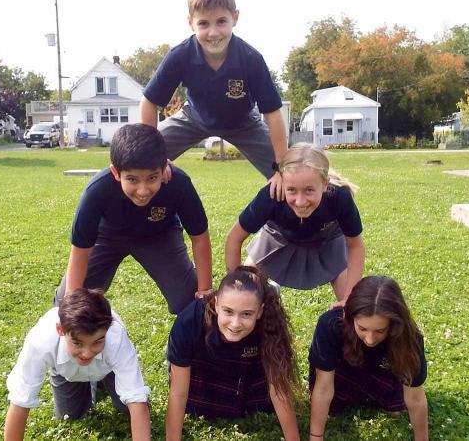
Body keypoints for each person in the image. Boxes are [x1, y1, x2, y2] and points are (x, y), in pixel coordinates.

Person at [139, 0, 288, 199]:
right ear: (191, 22)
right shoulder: (180, 55)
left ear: (235, 18)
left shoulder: (250, 59)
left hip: (244, 123)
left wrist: (281, 168)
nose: (213, 32)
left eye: (221, 22)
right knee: (138, 159)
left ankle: (318, 221)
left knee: (293, 174)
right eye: (203, 24)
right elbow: (149, 103)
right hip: (194, 118)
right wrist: (155, 155)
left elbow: (273, 114)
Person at [57, 123, 213, 314]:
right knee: (66, 302)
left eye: (152, 178)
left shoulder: (178, 184)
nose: (143, 190)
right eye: (132, 179)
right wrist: (72, 304)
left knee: (190, 301)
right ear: (116, 172)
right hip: (108, 236)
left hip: (159, 234)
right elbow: (81, 250)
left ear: (165, 167)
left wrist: (204, 292)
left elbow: (199, 237)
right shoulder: (97, 190)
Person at [165, 266, 300, 441]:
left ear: (260, 311)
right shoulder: (189, 321)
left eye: (246, 314)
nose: (235, 324)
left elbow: (278, 390)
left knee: (259, 403)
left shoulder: (270, 323)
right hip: (205, 365)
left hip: (247, 363)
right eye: (228, 311)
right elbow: (178, 393)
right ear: (215, 303)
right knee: (198, 404)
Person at [225, 143, 365, 303]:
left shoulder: (339, 198)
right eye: (291, 190)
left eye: (309, 190)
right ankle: (268, 289)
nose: (300, 201)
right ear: (282, 182)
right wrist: (234, 288)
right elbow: (234, 238)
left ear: (325, 184)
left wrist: (348, 298)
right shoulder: (271, 195)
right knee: (247, 293)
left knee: (353, 305)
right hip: (279, 236)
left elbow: (356, 246)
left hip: (327, 240)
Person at [4, 288, 151, 441]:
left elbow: (136, 400)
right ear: (60, 330)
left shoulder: (116, 337)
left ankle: (102, 382)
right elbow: (20, 401)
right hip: (66, 373)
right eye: (77, 343)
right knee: (70, 416)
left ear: (107, 330)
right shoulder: (40, 341)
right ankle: (94, 386)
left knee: (127, 408)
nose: (87, 353)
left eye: (98, 342)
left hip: (108, 369)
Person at [308, 276, 428, 441]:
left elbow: (415, 398)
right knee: (332, 409)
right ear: (351, 317)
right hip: (343, 372)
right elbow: (323, 388)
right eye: (362, 328)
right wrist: (316, 436)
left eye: (380, 330)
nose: (370, 339)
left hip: (382, 371)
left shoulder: (409, 338)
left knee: (395, 410)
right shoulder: (331, 325)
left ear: (394, 324)